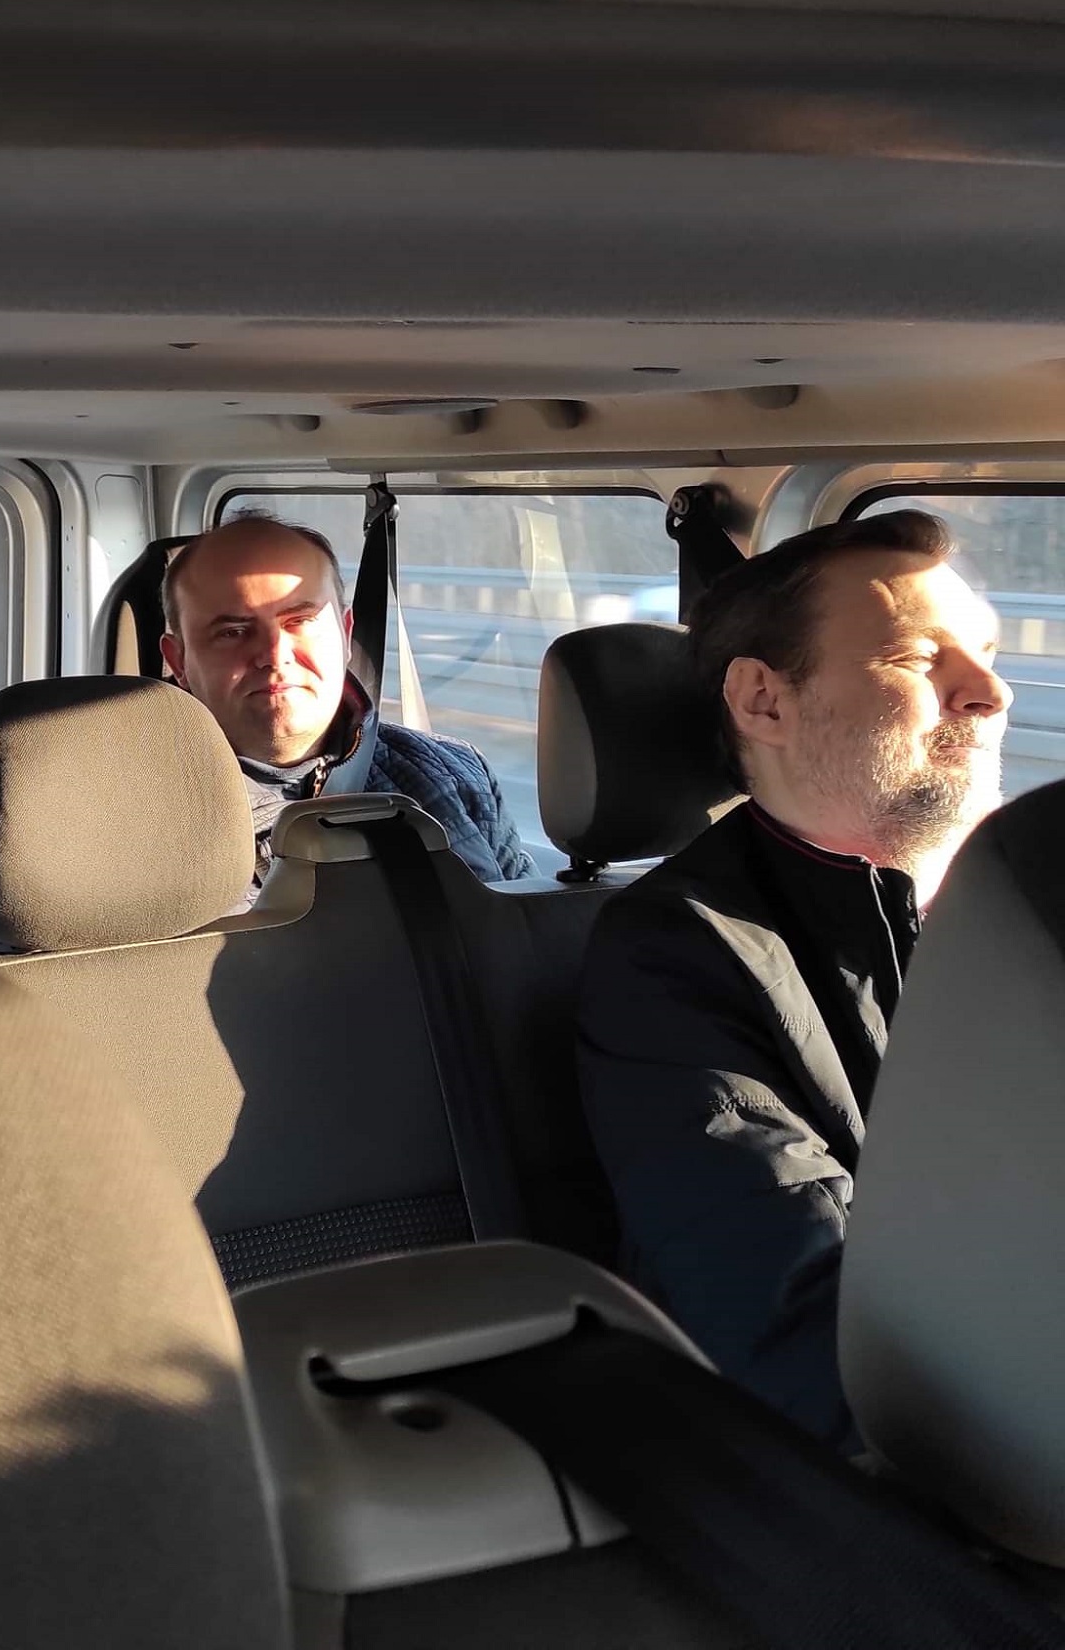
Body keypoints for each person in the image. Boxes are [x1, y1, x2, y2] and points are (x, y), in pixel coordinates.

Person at [577, 510, 1009, 1445]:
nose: (989, 692)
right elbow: (805, 1319)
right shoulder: (677, 953)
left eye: (984, 654)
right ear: (763, 701)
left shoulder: (1024, 909)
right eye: (915, 659)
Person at [158, 513, 533, 887]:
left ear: (345, 633)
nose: (274, 655)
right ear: (179, 662)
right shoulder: (142, 823)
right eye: (234, 632)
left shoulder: (457, 774)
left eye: (300, 621)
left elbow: (529, 919)